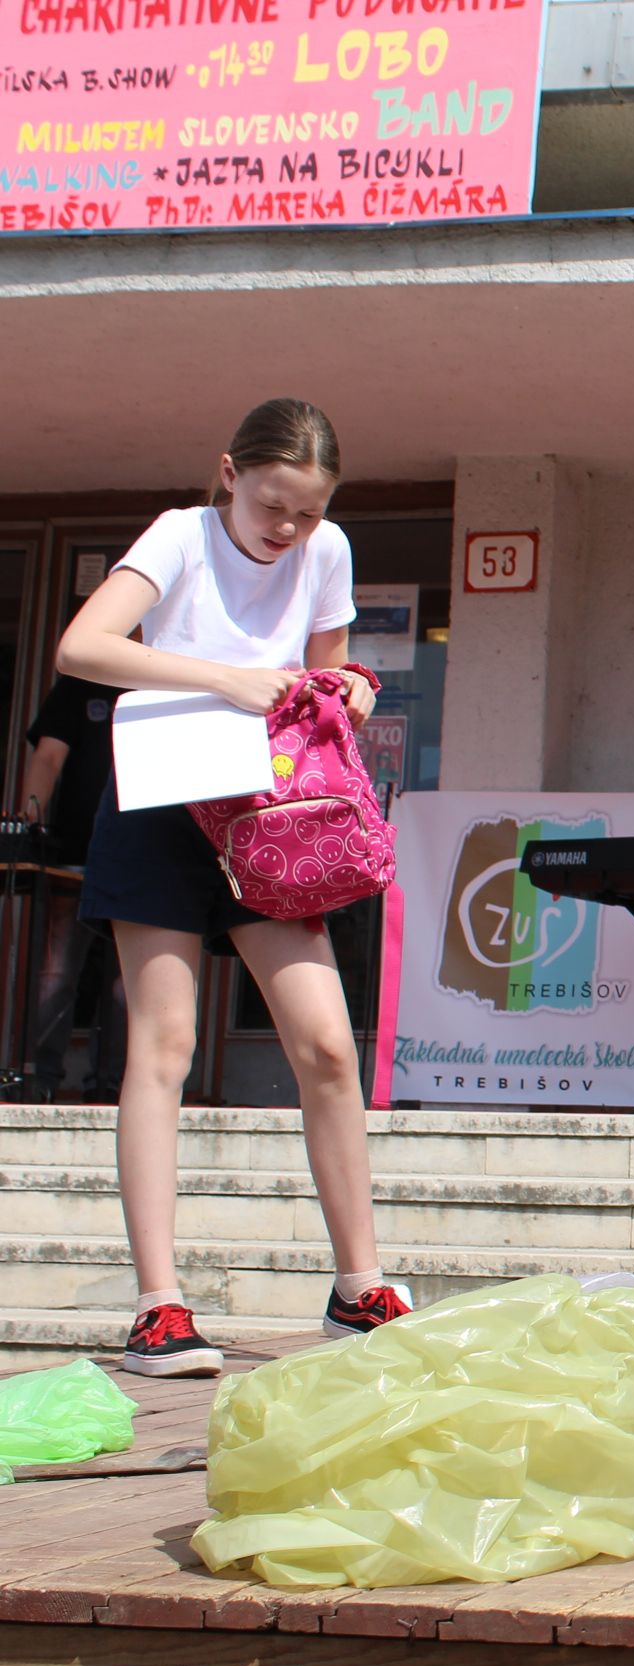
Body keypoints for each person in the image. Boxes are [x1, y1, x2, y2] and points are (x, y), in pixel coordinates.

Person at [55, 399, 408, 1376]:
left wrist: (350, 687)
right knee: (163, 1045)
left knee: (326, 1044)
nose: (287, 528)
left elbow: (325, 675)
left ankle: (359, 1287)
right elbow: (83, 647)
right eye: (271, 505)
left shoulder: (327, 549)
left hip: (271, 811)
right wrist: (223, 678)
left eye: (307, 510)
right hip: (163, 796)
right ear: (229, 474)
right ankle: (159, 1307)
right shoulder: (180, 536)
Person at [17, 674, 127, 1103]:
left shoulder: (169, 682)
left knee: (127, 982)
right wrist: (29, 829)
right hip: (76, 851)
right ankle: (40, 1079)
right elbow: (48, 757)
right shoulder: (81, 683)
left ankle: (112, 1083)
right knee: (58, 970)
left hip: (142, 855)